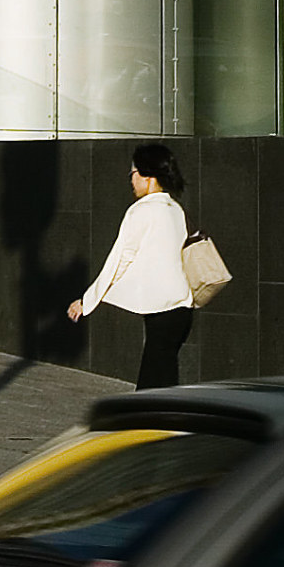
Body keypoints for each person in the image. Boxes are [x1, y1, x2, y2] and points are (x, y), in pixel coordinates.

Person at [68, 141, 195, 389]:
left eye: (134, 173)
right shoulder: (174, 209)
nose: (131, 180)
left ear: (149, 176)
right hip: (182, 309)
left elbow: (119, 260)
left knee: (152, 390)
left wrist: (87, 301)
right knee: (162, 384)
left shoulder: (142, 210)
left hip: (162, 311)